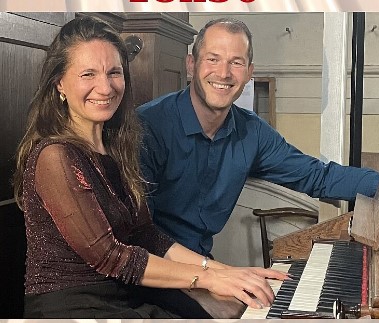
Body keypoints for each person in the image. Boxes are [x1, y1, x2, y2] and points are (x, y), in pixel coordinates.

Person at [13, 16, 288, 319]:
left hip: (124, 296)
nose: (105, 87)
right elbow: (111, 257)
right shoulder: (55, 156)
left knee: (239, 308)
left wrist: (229, 272)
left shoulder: (117, 148)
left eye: (114, 72)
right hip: (72, 307)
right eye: (88, 74)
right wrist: (208, 279)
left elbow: (147, 235)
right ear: (60, 83)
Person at [137, 17, 379, 257]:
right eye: (213, 59)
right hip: (151, 270)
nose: (224, 73)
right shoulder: (149, 125)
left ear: (249, 72)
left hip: (200, 265)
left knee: (264, 296)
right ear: (191, 64)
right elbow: (141, 234)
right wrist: (215, 279)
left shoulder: (252, 132)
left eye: (236, 62)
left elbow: (316, 176)